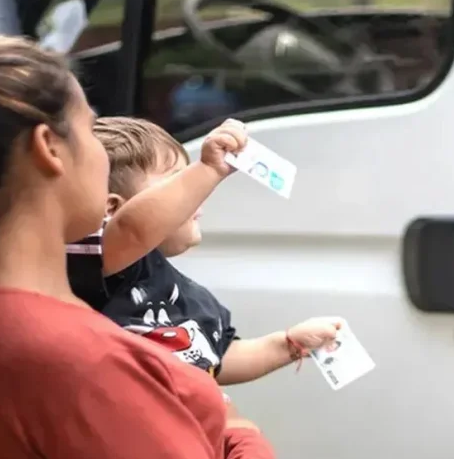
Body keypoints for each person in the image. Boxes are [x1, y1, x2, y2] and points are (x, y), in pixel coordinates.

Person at [0, 18, 276, 459]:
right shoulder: (87, 365)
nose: (102, 153)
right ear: (49, 148)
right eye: (90, 129)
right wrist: (241, 434)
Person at [67, 116, 341, 383]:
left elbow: (218, 357)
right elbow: (134, 229)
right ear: (112, 209)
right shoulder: (100, 267)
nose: (196, 191)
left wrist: (289, 344)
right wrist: (208, 169)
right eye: (177, 179)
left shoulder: (182, 291)